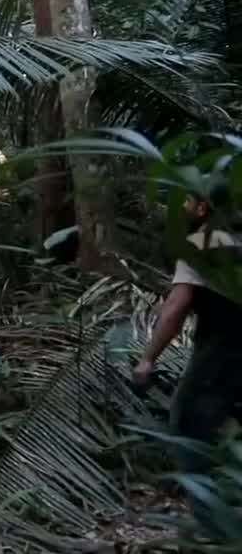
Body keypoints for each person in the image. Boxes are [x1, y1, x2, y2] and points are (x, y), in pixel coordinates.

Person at [133, 185, 242, 530]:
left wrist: (148, 359)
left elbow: (175, 308)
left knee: (189, 424)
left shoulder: (202, 246)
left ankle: (211, 529)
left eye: (188, 199)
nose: (182, 205)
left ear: (203, 207)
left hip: (222, 355)